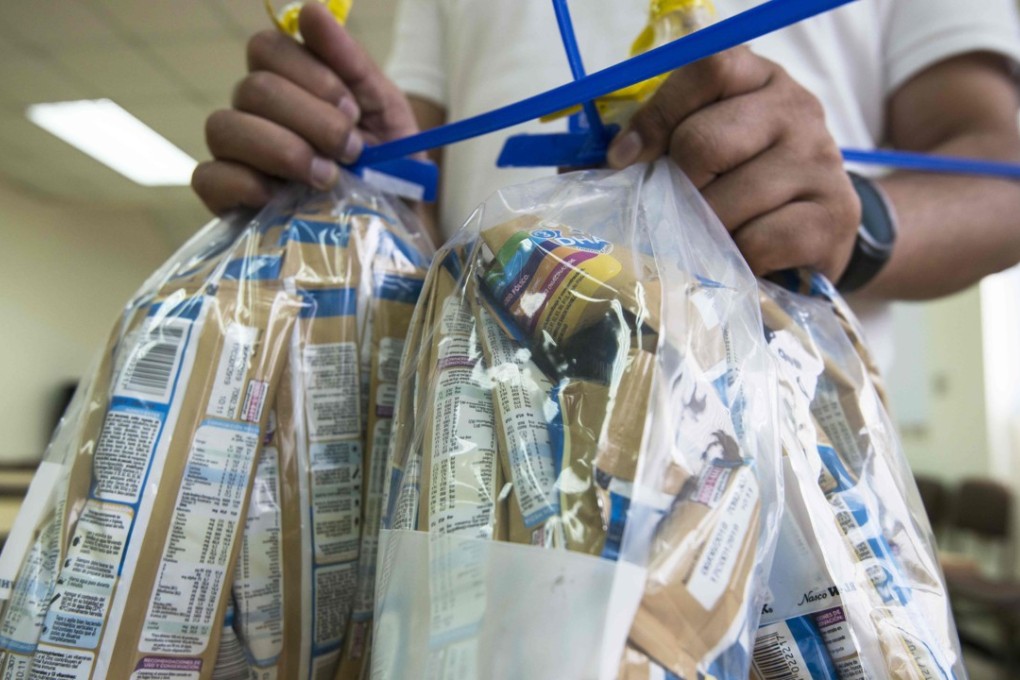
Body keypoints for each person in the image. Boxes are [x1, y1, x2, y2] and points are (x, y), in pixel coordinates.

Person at [191, 0, 1020, 371]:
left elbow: (1003, 172)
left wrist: (851, 221)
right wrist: (352, 185)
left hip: (783, 452)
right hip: (485, 441)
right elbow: (426, 195)